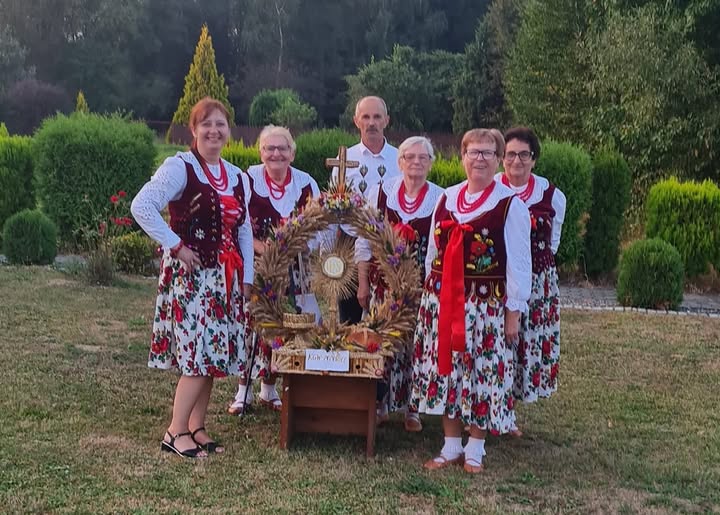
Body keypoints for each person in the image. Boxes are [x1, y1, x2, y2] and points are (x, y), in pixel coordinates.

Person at [131, 97, 253, 458]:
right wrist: (176, 246)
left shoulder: (237, 175)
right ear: (194, 130)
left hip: (225, 279)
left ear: (229, 130)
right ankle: (175, 431)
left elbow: (244, 228)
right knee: (198, 356)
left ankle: (197, 427)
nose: (214, 131)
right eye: (206, 124)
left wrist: (248, 275)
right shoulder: (180, 167)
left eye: (220, 124)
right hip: (193, 277)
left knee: (213, 355)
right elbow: (141, 206)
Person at [409, 129, 532, 473]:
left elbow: (520, 262)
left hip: (484, 305)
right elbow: (433, 250)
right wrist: (430, 293)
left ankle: (476, 446)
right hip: (443, 300)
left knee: (482, 372)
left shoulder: (510, 205)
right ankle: (450, 444)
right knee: (447, 369)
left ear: (498, 160)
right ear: (462, 156)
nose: (480, 159)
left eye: (487, 153)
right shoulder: (447, 198)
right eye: (473, 152)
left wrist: (513, 312)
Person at [227, 125, 320, 415]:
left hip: (296, 266)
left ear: (292, 153)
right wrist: (260, 246)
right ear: (261, 152)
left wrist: (294, 246)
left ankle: (270, 388)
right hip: (258, 264)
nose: (276, 153)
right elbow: (237, 223)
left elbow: (318, 226)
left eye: (282, 148)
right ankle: (243, 391)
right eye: (270, 148)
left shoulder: (306, 184)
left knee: (287, 324)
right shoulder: (248, 179)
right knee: (252, 324)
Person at [355, 136, 444, 432]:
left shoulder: (441, 198)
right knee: (380, 342)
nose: (416, 162)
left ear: (430, 163)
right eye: (410, 157)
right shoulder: (381, 192)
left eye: (422, 157)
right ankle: (379, 403)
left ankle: (412, 408)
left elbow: (440, 248)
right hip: (382, 287)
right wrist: (363, 282)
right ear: (400, 162)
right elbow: (365, 239)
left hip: (420, 289)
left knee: (416, 346)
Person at [497, 127, 566, 435]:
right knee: (499, 342)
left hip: (538, 282)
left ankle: (509, 412)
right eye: (511, 154)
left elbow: (553, 242)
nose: (517, 161)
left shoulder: (552, 195)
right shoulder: (492, 189)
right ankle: (495, 408)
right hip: (498, 279)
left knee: (524, 343)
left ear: (534, 159)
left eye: (524, 155)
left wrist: (531, 268)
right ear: (502, 158)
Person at [331, 96, 401, 324]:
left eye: (377, 117)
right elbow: (334, 204)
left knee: (387, 314)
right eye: (366, 117)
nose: (371, 123)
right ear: (356, 121)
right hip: (350, 241)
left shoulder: (399, 159)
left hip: (386, 243)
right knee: (349, 317)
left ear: (387, 120)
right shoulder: (345, 158)